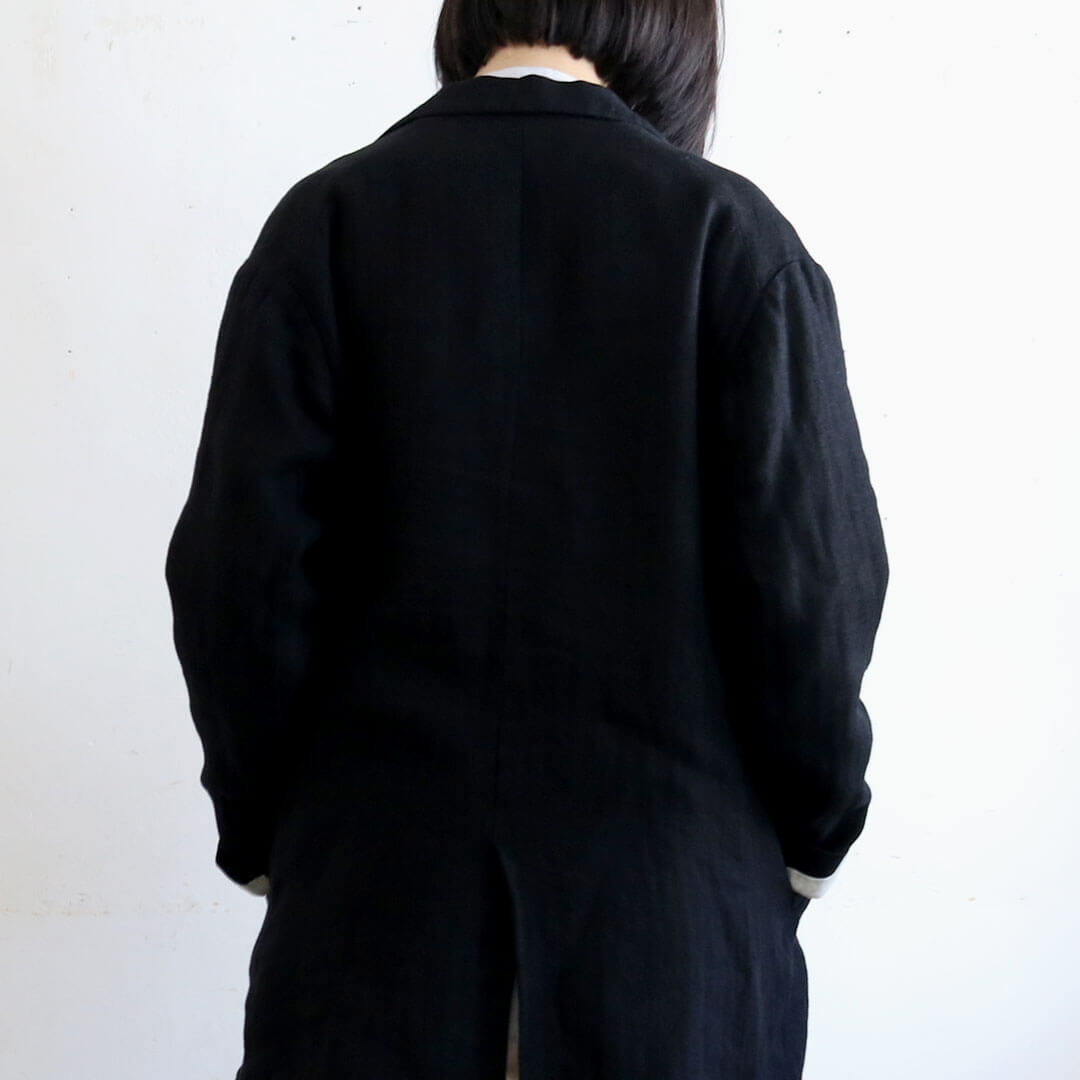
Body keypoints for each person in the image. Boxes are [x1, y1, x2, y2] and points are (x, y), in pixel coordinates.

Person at [164, 2, 889, 1077]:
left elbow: (239, 586)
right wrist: (813, 841)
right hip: (670, 941)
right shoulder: (731, 236)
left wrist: (275, 837)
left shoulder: (324, 224)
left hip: (373, 923)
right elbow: (814, 594)